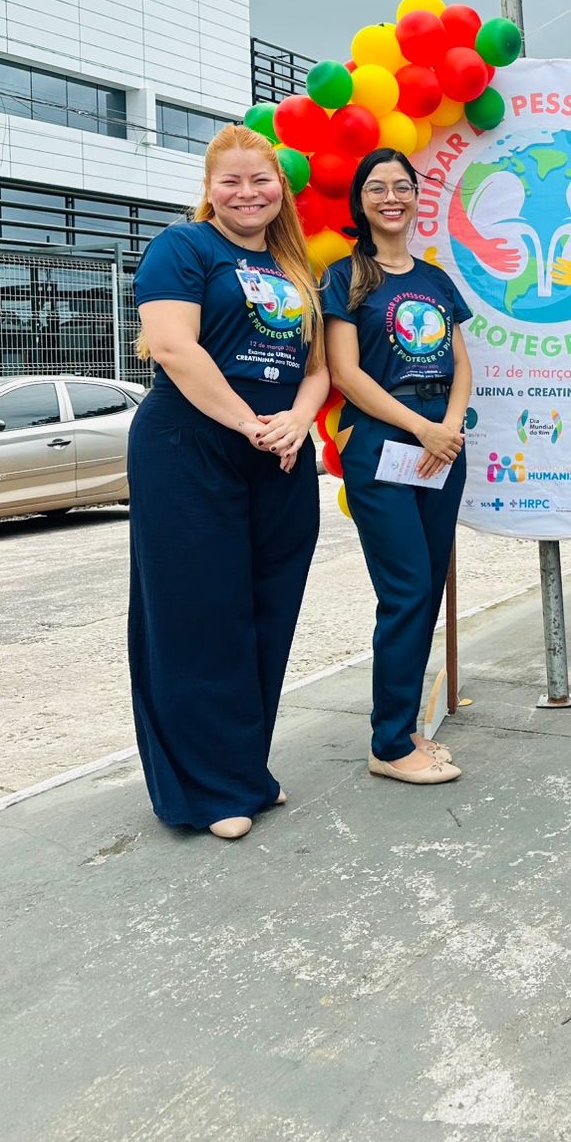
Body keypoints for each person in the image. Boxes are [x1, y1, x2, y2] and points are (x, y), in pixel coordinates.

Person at [130, 125, 327, 839]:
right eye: (231, 181)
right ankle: (206, 792)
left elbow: (317, 369)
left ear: (282, 188)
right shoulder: (184, 248)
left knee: (266, 614)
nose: (248, 192)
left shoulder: (294, 266)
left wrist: (297, 421)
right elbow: (174, 347)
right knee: (199, 617)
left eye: (260, 179)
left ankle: (243, 770)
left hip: (278, 455)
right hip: (190, 447)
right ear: (210, 190)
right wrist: (250, 423)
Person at [324, 149, 473, 785]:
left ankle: (403, 727)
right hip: (385, 441)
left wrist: (450, 427)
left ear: (417, 197)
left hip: (442, 445)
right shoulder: (344, 276)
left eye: (403, 186)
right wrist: (421, 428)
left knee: (427, 587)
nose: (392, 197)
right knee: (406, 589)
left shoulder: (435, 280)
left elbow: (461, 364)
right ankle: (388, 745)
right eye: (378, 187)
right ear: (361, 201)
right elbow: (345, 373)